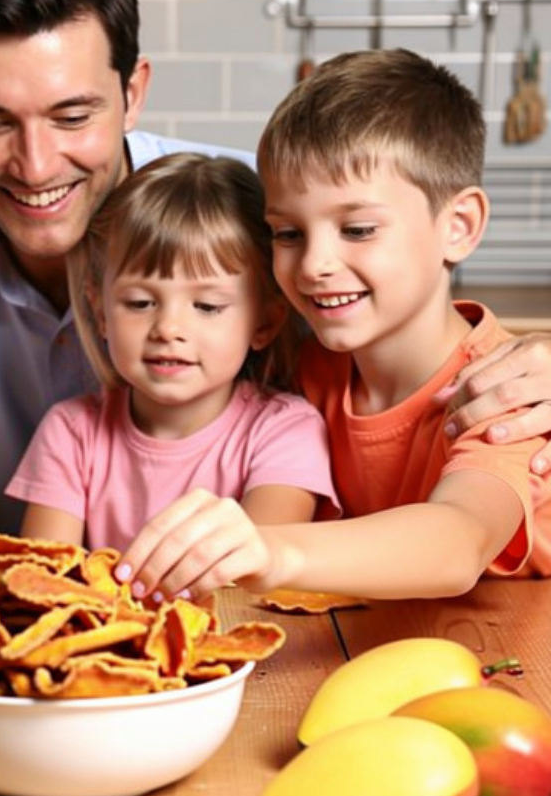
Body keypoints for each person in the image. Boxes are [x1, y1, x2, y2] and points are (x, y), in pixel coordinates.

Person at [0, 0, 551, 554]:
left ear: (133, 92)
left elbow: (412, 320)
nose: (37, 164)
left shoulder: (257, 213)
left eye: (72, 116)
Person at [110, 48, 551, 606]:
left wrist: (271, 551)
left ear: (458, 227)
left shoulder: (505, 392)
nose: (315, 264)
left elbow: (457, 541)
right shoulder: (310, 363)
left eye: (358, 229)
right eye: (288, 234)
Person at [5, 152, 339, 565]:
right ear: (100, 312)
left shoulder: (285, 432)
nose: (168, 328)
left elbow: (252, 578)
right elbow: (44, 582)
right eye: (141, 302)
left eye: (207, 306)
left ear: (264, 323)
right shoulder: (70, 432)